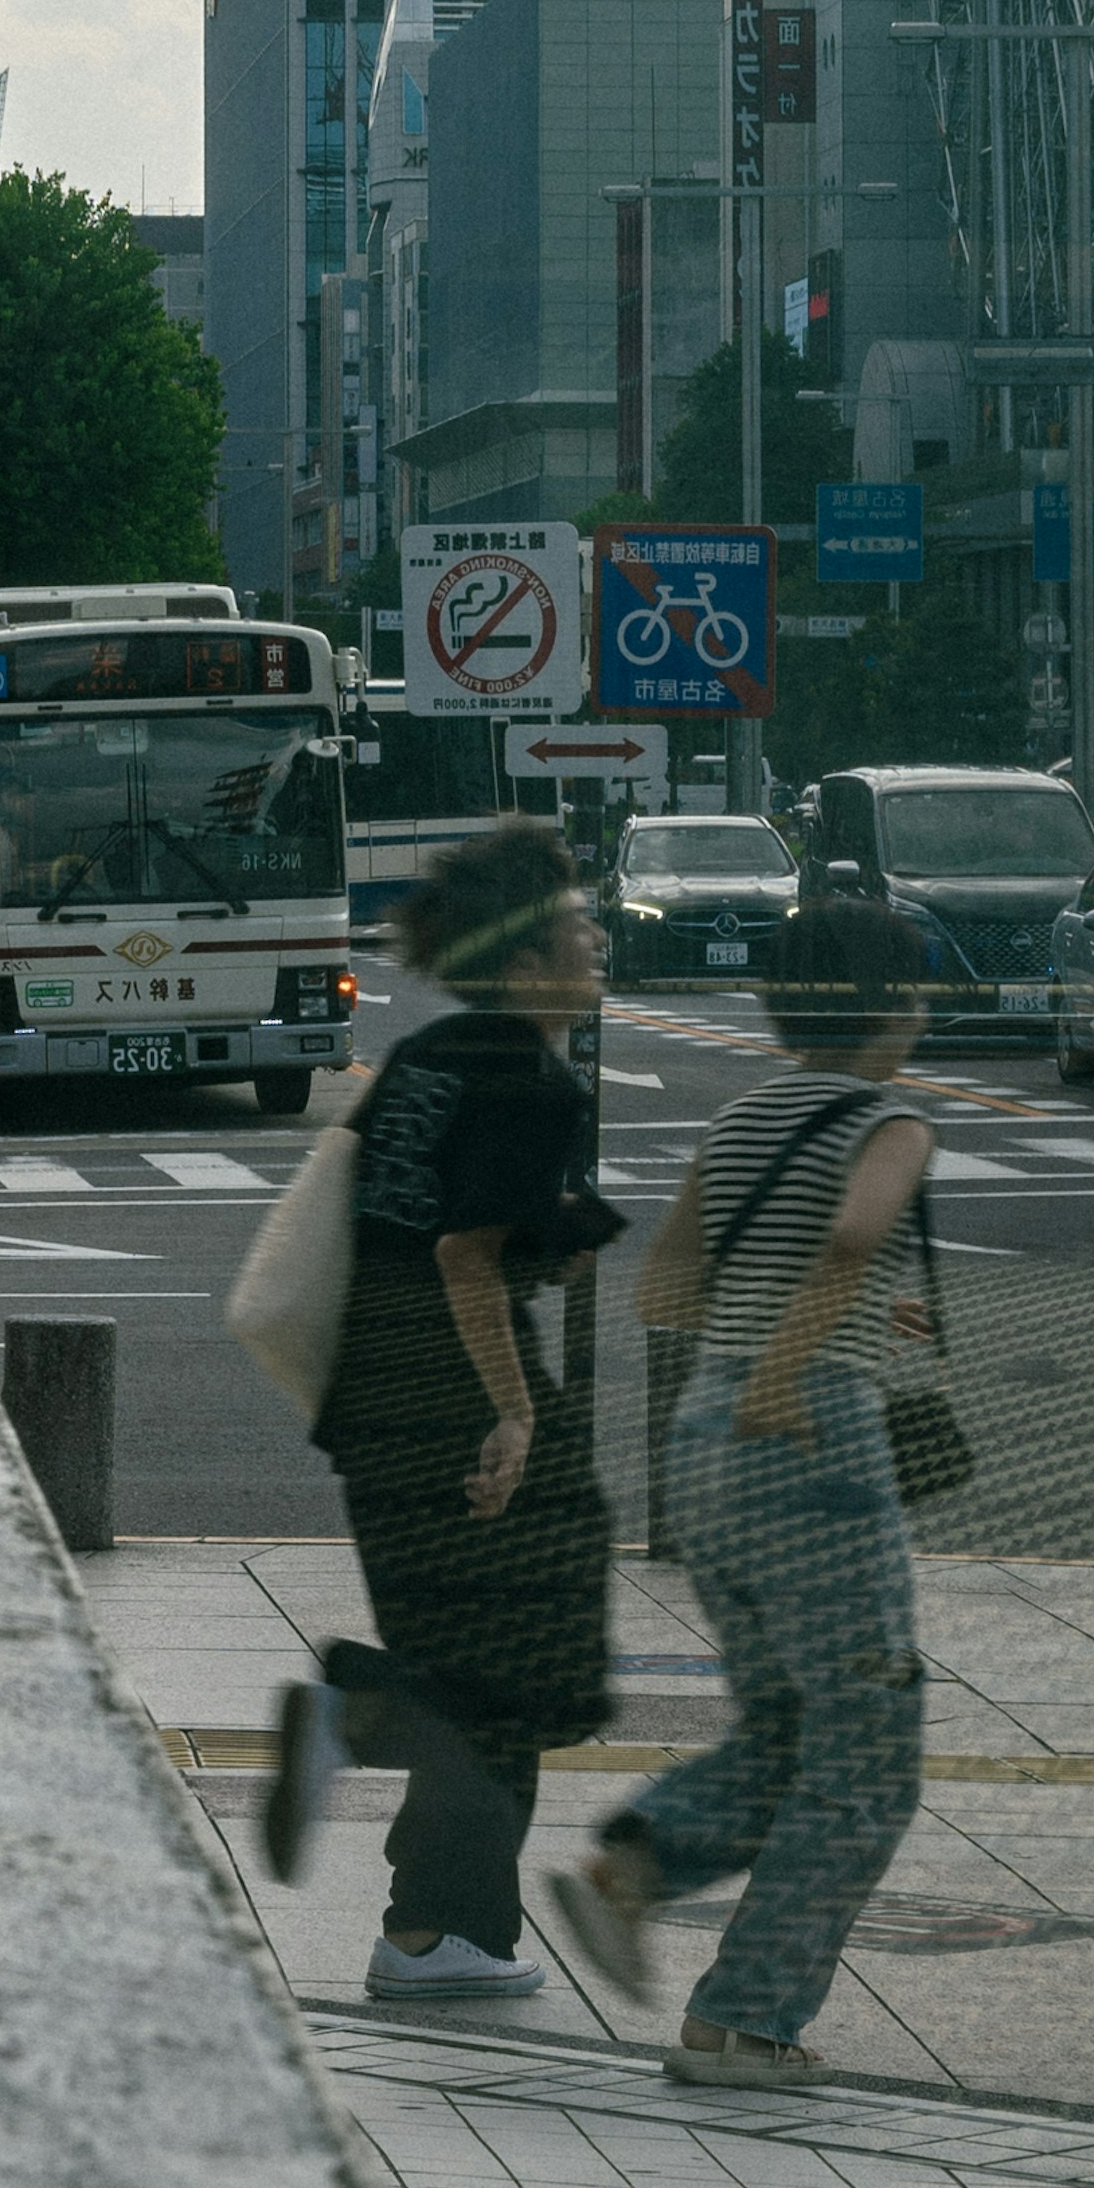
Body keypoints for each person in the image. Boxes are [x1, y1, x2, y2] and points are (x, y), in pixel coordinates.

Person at [545, 899, 942, 2090]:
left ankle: (647, 1871)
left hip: (705, 1435)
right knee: (870, 1746)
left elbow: (664, 1283)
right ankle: (748, 2019)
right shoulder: (890, 1120)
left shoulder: (741, 1116)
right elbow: (849, 1243)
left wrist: (762, 1349)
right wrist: (793, 1365)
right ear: (901, 1007)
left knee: (786, 1728)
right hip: (805, 1434)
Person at [312, 820, 621, 1997]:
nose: (596, 938)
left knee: (479, 1674)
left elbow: (396, 1212)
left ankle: (436, 1936)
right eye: (579, 926)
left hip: (368, 1403)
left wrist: (563, 1232)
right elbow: (463, 1254)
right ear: (533, 962)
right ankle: (365, 1712)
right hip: (460, 1409)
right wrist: (512, 1417)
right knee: (522, 1672)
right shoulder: (532, 1083)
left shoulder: (429, 1056)